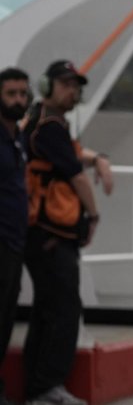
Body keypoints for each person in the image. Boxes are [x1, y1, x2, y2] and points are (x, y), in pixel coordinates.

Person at [23, 60, 113, 405]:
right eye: (65, 85)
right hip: (49, 232)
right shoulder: (49, 127)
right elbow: (76, 175)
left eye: (76, 86)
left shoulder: (48, 123)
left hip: (46, 231)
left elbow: (74, 155)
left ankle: (38, 388)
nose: (72, 91)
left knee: (49, 308)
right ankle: (47, 388)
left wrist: (98, 158)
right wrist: (94, 215)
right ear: (47, 86)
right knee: (63, 308)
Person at [0, 68, 29, 405]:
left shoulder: (19, 137)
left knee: (6, 319)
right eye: (11, 94)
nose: (18, 100)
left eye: (23, 94)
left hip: (15, 242)